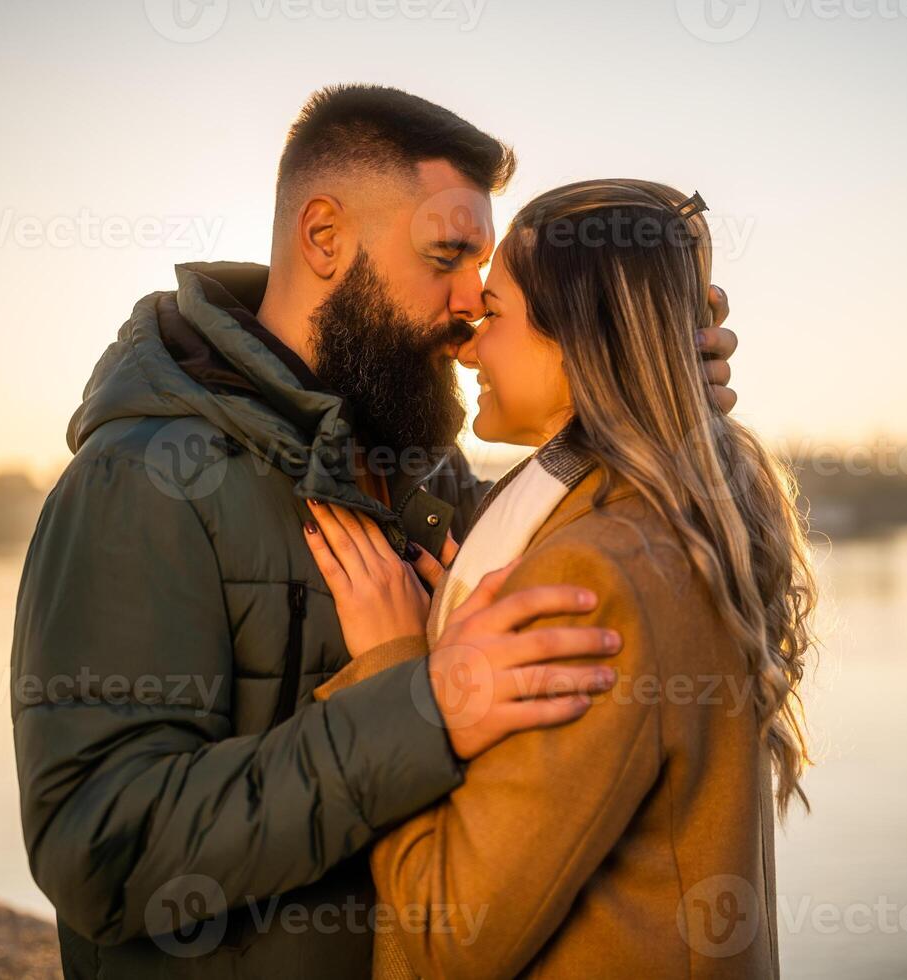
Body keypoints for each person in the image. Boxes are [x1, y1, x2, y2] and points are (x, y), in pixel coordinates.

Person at [10, 87, 740, 979]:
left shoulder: (415, 462)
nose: (473, 302)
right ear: (324, 237)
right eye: (447, 255)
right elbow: (99, 848)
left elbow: (559, 528)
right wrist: (418, 710)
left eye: (482, 267)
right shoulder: (142, 482)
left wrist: (637, 381)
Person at [304, 179, 815, 978]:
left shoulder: (596, 572)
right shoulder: (651, 518)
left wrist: (398, 670)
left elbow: (450, 938)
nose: (469, 345)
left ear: (581, 341)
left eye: (495, 314)